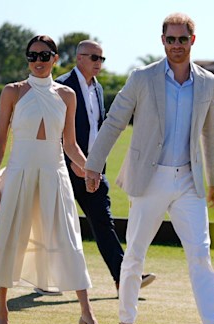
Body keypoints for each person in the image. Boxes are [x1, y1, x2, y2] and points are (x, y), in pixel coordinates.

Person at [84, 13, 214, 324]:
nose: (177, 45)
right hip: (149, 178)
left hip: (189, 181)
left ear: (193, 40)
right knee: (135, 255)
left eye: (182, 39)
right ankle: (126, 323)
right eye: (171, 39)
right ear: (163, 41)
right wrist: (93, 166)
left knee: (201, 254)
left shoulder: (208, 82)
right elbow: (114, 121)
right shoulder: (142, 78)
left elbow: (212, 133)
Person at [0, 35, 108, 324]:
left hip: (55, 174)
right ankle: (2, 312)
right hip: (20, 172)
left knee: (69, 239)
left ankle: (87, 314)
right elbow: (1, 138)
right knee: (10, 237)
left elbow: (70, 144)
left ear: (55, 58)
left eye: (44, 55)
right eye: (32, 55)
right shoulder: (12, 91)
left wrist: (89, 170)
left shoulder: (66, 95)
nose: (38, 61)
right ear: (28, 58)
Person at [32, 40, 155, 297]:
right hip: (63, 167)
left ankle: (123, 279)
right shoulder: (62, 86)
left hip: (92, 169)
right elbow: (52, 132)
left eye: (102, 59)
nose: (99, 63)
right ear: (79, 58)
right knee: (56, 223)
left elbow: (99, 129)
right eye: (94, 58)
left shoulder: (97, 88)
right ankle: (44, 279)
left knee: (103, 220)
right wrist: (75, 163)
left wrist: (92, 165)